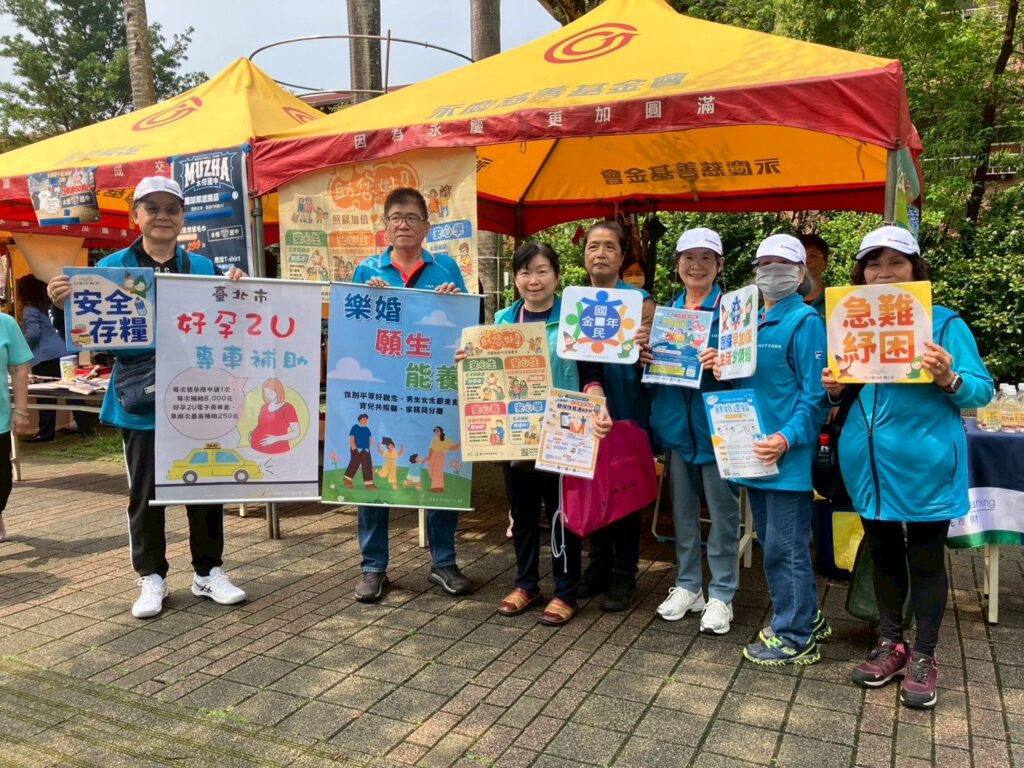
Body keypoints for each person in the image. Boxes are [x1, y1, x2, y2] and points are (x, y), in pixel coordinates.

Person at [46, 176, 247, 619]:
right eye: (152, 208)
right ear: (136, 215)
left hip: (198, 396)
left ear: (182, 218)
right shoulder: (110, 270)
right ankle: (151, 577)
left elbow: (227, 324)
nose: (162, 216)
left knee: (206, 486)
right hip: (140, 399)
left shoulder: (204, 269)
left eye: (171, 209)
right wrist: (62, 305)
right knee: (146, 492)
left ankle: (207, 571)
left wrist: (239, 289)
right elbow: (86, 337)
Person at [823, 226, 993, 708]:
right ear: (861, 273)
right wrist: (833, 389)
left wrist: (948, 376)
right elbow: (841, 391)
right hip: (867, 462)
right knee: (881, 552)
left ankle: (925, 654)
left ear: (915, 268)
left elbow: (980, 390)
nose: (883, 272)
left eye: (895, 263)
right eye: (873, 264)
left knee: (924, 557)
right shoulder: (849, 321)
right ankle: (890, 645)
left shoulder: (943, 322)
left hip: (924, 462)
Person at [473, 241, 611, 626]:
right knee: (522, 510)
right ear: (515, 278)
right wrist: (469, 359)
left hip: (564, 430)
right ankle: (526, 583)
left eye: (541, 271)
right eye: (524, 272)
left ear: (556, 275)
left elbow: (591, 376)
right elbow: (485, 375)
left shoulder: (573, 318)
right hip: (514, 432)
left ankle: (565, 591)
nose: (533, 280)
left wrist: (597, 404)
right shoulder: (502, 321)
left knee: (560, 513)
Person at [350, 187, 472, 603]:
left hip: (431, 389)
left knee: (439, 472)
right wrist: (367, 302)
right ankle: (373, 567)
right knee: (374, 479)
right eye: (396, 217)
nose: (403, 224)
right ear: (384, 226)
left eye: (412, 218)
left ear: (426, 226)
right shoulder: (368, 270)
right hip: (382, 390)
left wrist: (456, 305)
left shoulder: (447, 269)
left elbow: (468, 332)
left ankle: (443, 562)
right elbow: (354, 333)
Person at [714, 233, 830, 666]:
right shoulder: (745, 321)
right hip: (751, 451)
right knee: (775, 541)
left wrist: (786, 438)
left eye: (781, 264)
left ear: (800, 273)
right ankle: (807, 616)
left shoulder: (804, 322)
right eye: (763, 263)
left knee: (785, 546)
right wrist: (720, 367)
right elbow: (745, 385)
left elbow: (813, 394)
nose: (770, 271)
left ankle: (795, 635)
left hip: (784, 455)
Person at [642, 228, 741, 634]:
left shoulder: (736, 312)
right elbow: (655, 376)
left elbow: (749, 370)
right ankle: (687, 585)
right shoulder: (666, 314)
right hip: (678, 429)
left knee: (722, 512)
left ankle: (721, 593)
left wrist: (725, 362)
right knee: (682, 513)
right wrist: (644, 355)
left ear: (719, 265)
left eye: (706, 258)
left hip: (720, 428)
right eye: (688, 257)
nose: (696, 265)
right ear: (678, 265)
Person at [576, 221, 654, 612]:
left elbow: (658, 361)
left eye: (609, 247)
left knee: (625, 490)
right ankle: (598, 566)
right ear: (585, 254)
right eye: (593, 246)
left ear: (622, 257)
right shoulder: (571, 301)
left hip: (629, 407)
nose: (600, 253)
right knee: (592, 487)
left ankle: (625, 573)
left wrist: (646, 353)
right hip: (584, 412)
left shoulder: (641, 301)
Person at [16, 275, 69, 442]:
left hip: (44, 356)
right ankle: (86, 428)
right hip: (64, 351)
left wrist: (20, 349)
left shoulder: (29, 309)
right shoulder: (51, 306)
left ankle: (46, 433)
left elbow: (33, 334)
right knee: (73, 391)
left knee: (45, 396)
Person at [0, 311, 32, 542]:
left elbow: (20, 367)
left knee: (3, 480)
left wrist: (21, 410)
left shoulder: (5, 323)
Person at [249, 377, 300, 455]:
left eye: (270, 392)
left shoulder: (287, 407)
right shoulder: (264, 407)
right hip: (256, 448)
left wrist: (275, 439)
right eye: (265, 392)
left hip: (277, 449)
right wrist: (252, 434)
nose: (267, 395)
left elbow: (296, 432)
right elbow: (261, 425)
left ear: (278, 391)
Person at [799, 233, 830, 319]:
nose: (806, 261)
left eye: (812, 255)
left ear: (825, 262)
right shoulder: (782, 301)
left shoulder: (836, 299)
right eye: (801, 256)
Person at [343, 413, 376, 490]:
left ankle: (369, 484)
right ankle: (347, 480)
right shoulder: (355, 427)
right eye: (364, 419)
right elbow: (352, 437)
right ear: (360, 420)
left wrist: (370, 446)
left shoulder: (367, 429)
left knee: (367, 465)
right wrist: (353, 447)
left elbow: (370, 439)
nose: (366, 421)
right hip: (357, 449)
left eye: (366, 420)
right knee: (354, 464)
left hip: (366, 450)